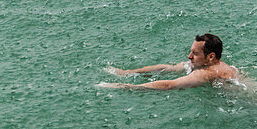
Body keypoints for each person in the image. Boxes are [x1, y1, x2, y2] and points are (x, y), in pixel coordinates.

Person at [98, 33, 238, 90]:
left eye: (195, 53)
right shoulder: (218, 65)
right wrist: (127, 72)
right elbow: (166, 68)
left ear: (211, 57)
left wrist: (127, 87)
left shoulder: (205, 73)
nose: (189, 56)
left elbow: (168, 85)